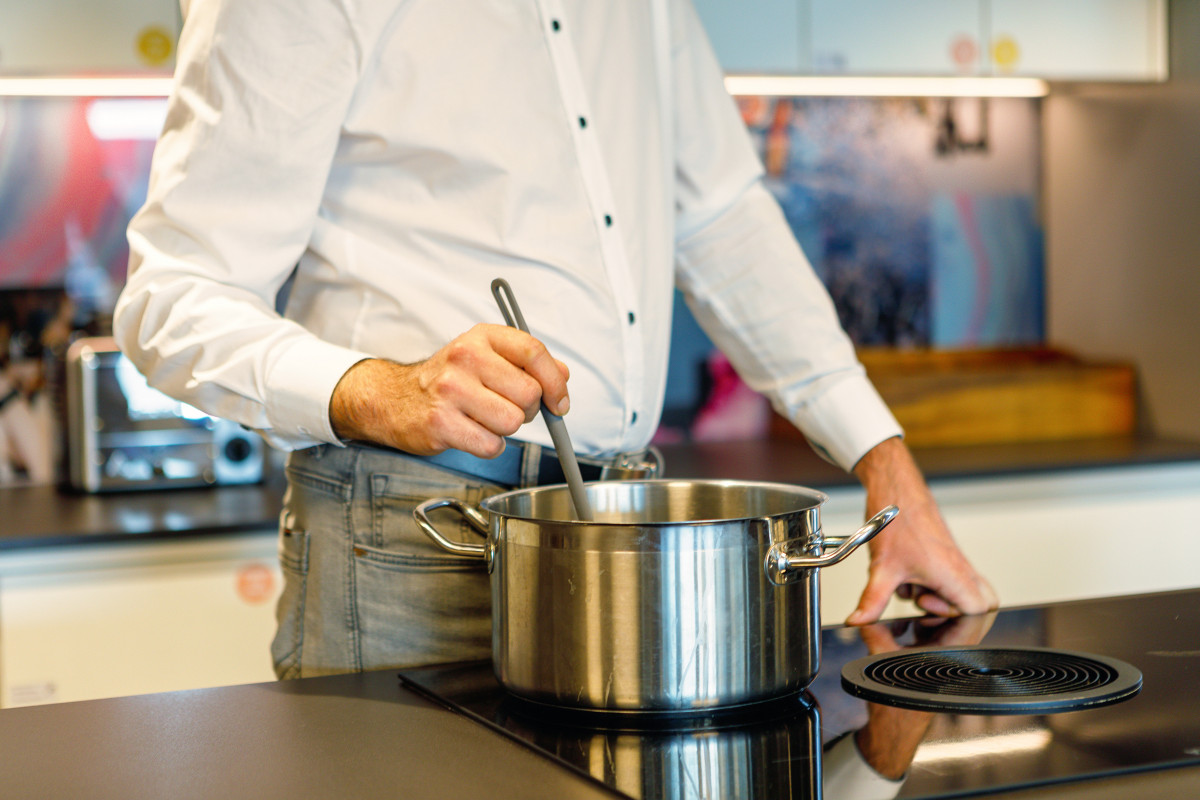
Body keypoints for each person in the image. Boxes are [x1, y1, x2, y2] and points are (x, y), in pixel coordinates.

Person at [114, 0, 997, 679]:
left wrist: (887, 465)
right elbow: (174, 296)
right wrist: (382, 389)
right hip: (412, 539)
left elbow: (720, 216)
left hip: (619, 538)